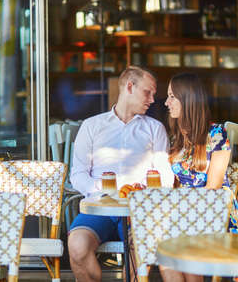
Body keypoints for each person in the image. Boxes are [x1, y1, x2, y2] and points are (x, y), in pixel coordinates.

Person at [68, 66, 174, 282]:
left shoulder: (155, 128)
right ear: (129, 87)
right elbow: (78, 175)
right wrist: (107, 189)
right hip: (99, 209)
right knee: (77, 247)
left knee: (139, 252)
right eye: (148, 92)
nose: (153, 99)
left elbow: (166, 178)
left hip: (139, 211)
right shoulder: (92, 126)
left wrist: (142, 193)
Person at [161, 72, 238, 282]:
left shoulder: (217, 133)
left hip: (212, 209)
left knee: (184, 256)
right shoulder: (175, 138)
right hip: (184, 212)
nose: (166, 102)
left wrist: (183, 212)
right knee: (166, 260)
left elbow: (214, 186)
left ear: (187, 99)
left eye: (172, 96)